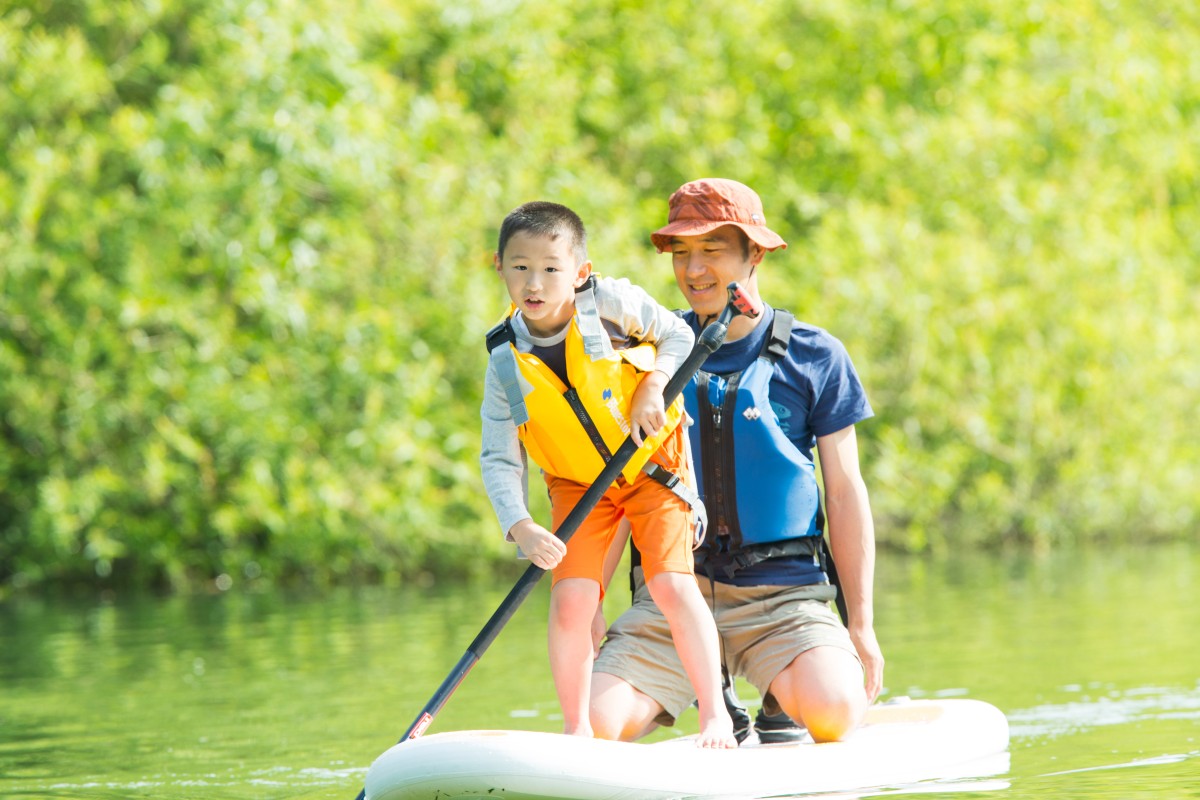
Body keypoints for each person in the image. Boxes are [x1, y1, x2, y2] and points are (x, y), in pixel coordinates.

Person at [591, 179, 885, 745]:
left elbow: (846, 493)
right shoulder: (643, 359)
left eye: (713, 250)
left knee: (835, 710)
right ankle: (712, 688)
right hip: (673, 593)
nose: (693, 270)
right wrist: (589, 613)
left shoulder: (816, 355)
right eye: (681, 253)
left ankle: (778, 699)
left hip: (782, 596)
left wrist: (862, 626)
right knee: (597, 725)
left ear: (755, 253)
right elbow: (617, 490)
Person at [480, 201, 737, 748]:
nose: (535, 281)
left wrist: (652, 384)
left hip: (650, 465)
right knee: (572, 602)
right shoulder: (503, 358)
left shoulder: (610, 301)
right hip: (577, 486)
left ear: (579, 272)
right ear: (498, 267)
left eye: (551, 268)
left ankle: (715, 713)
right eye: (520, 266)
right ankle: (577, 731)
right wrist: (519, 524)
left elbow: (679, 336)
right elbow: (499, 457)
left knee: (669, 583)